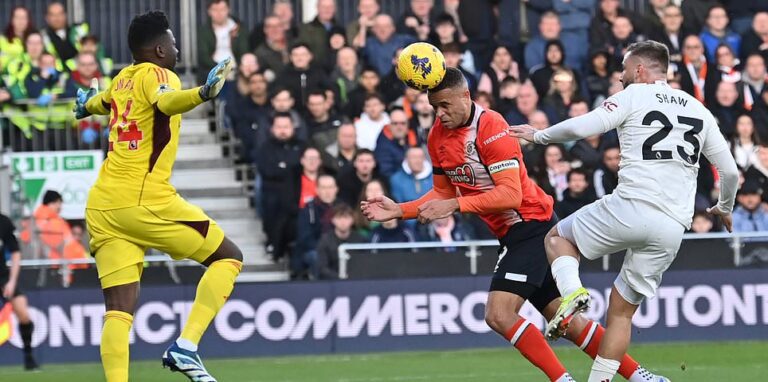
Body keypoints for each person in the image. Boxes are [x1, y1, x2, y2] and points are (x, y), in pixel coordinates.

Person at [363, 67, 666, 382]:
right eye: (434, 107)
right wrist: (400, 210)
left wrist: (455, 204)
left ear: (465, 96)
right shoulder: (437, 136)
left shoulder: (491, 126)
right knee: (572, 326)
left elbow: (510, 194)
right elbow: (441, 191)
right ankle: (644, 378)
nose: (439, 114)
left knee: (499, 314)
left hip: (533, 227)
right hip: (514, 234)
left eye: (445, 105)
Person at [510, 40, 738, 382]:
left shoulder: (634, 96)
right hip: (674, 226)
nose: (620, 76)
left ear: (640, 70)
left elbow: (582, 126)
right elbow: (731, 172)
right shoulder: (699, 110)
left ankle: (572, 292)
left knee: (557, 238)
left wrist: (539, 136)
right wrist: (724, 206)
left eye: (624, 70)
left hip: (632, 205)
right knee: (621, 315)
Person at [73, 11, 243, 381]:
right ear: (160, 48)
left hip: (103, 205)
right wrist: (203, 93)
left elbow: (101, 103)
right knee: (228, 257)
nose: (178, 50)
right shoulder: (159, 74)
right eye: (174, 44)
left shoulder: (122, 79)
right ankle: (186, 347)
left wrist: (84, 105)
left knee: (118, 309)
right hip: (143, 199)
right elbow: (166, 102)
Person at [256, 112, 305, 262]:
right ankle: (274, 246)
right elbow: (267, 170)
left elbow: (302, 169)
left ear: (293, 127)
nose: (283, 130)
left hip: (297, 193)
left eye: (286, 126)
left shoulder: (302, 146)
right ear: (272, 128)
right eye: (279, 127)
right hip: (273, 194)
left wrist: (284, 167)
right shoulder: (265, 147)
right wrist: (290, 167)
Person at [0, 212, 39, 370]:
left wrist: (11, 281)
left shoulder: (3, 222)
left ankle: (29, 357)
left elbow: (16, 253)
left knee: (23, 314)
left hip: (3, 277)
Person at [295, 174, 339, 279]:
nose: (327, 191)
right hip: (314, 249)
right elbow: (304, 238)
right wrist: (326, 249)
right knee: (316, 257)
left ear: (336, 189)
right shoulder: (308, 209)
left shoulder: (343, 208)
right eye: (323, 188)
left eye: (330, 187)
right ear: (317, 190)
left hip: (339, 248)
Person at [197, 0, 249, 84]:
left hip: (237, 69)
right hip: (212, 70)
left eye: (222, 9)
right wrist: (222, 70)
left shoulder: (239, 28)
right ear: (209, 12)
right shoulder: (203, 31)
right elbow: (204, 57)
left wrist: (239, 68)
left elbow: (244, 51)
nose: (219, 13)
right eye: (215, 10)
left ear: (228, 9)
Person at [316, 204, 365, 279]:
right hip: (332, 283)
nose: (343, 222)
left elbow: (365, 264)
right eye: (339, 218)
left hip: (356, 280)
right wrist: (340, 277)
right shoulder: (325, 241)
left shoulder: (360, 240)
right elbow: (322, 268)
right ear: (333, 220)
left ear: (352, 220)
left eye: (346, 218)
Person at [297, 0, 343, 70]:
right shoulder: (305, 29)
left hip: (336, 73)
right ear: (317, 8)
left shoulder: (341, 29)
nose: (327, 10)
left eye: (330, 7)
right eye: (324, 7)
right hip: (314, 72)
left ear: (334, 9)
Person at [41, 2, 89, 67]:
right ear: (47, 18)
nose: (57, 18)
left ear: (65, 15)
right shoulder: (42, 37)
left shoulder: (78, 32)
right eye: (53, 15)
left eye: (60, 14)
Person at [374, 108, 419, 178]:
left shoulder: (414, 139)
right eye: (395, 123)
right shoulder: (383, 145)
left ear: (407, 125)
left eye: (403, 123)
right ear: (390, 126)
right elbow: (386, 171)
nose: (399, 127)